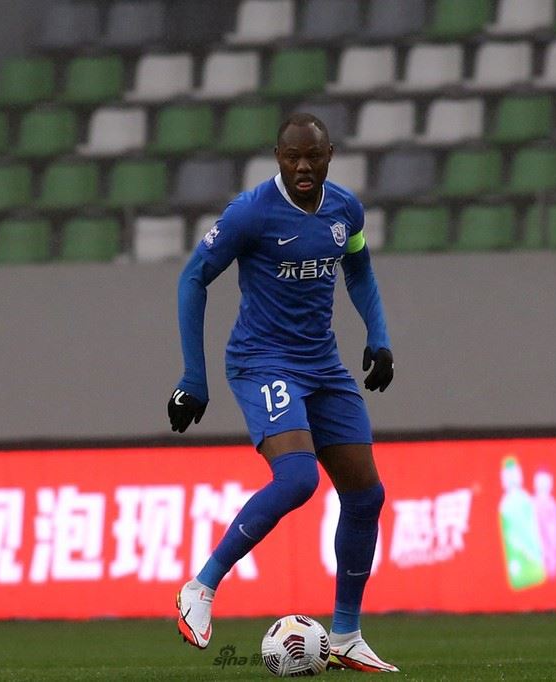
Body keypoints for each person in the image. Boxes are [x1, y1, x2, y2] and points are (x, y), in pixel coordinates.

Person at [168, 113, 398, 673]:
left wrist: (379, 335)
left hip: (322, 364)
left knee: (366, 496)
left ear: (330, 155)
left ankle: (345, 634)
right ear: (277, 157)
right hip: (262, 361)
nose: (302, 166)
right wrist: (193, 378)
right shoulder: (250, 213)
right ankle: (201, 586)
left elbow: (359, 269)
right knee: (297, 478)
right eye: (292, 156)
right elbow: (192, 278)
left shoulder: (345, 210)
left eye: (313, 156)